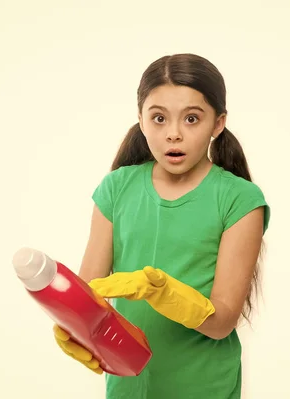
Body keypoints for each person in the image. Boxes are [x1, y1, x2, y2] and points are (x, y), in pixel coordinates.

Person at [53, 53, 270, 399]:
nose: (173, 134)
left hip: (204, 386)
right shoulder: (116, 189)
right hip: (128, 385)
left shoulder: (239, 199)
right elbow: (91, 291)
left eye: (192, 119)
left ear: (218, 124)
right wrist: (75, 325)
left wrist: (163, 293)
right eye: (158, 118)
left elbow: (222, 321)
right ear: (140, 120)